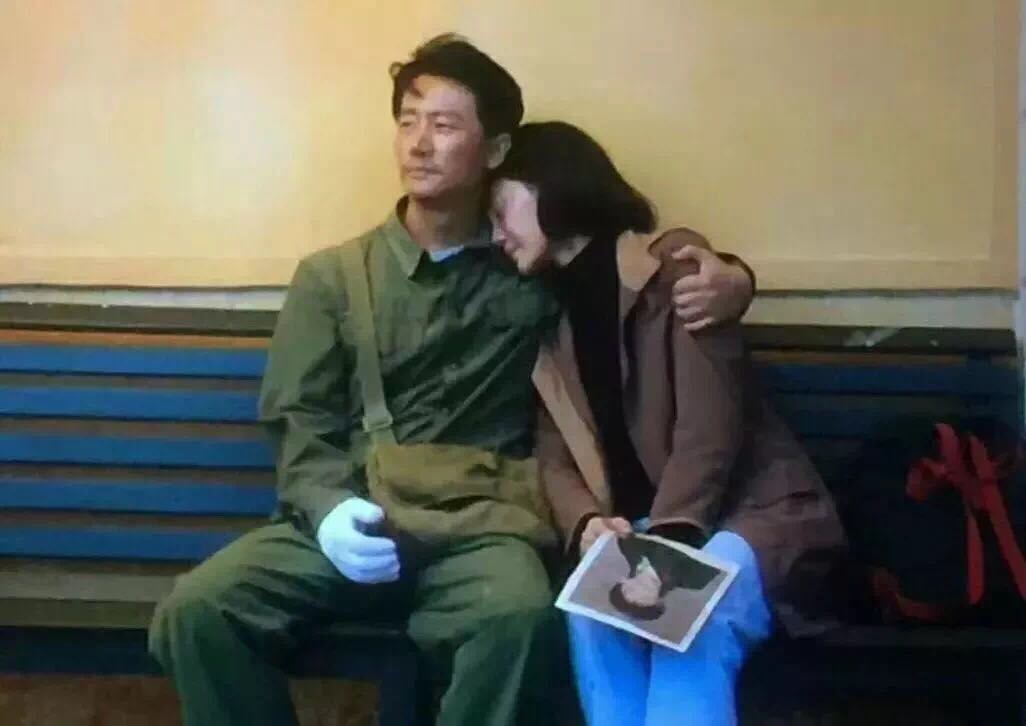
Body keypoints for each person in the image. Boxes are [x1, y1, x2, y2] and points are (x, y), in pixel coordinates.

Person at [147, 37, 754, 726]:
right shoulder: (333, 279)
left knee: (520, 620)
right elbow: (299, 420)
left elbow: (627, 258)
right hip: (357, 518)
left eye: (443, 124)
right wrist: (328, 508)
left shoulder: (528, 270)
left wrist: (731, 277)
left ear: (494, 150)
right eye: (407, 121)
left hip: (484, 531)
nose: (418, 144)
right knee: (197, 613)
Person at [490, 121, 848, 726]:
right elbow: (554, 453)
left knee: (691, 620)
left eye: (502, 210)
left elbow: (710, 425)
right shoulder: (551, 321)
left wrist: (671, 541)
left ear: (550, 186)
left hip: (751, 517)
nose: (498, 233)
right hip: (647, 530)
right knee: (590, 613)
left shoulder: (675, 268)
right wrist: (587, 523)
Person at [609, 535, 719, 622]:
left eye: (628, 591)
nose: (639, 592)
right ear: (659, 603)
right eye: (640, 603)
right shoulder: (695, 580)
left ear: (622, 580)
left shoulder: (627, 546)